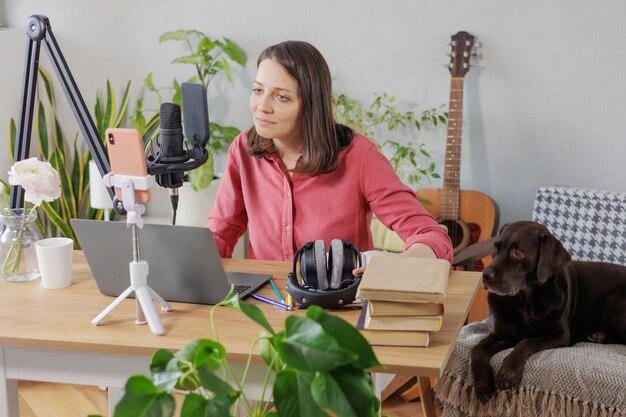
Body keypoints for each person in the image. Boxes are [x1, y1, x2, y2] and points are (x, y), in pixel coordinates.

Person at [208, 40, 453, 265]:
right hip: (266, 300)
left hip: (340, 304)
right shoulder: (242, 149)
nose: (262, 107)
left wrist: (396, 267)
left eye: (281, 97)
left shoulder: (359, 156)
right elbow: (221, 233)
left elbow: (430, 235)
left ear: (311, 105)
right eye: (258, 90)